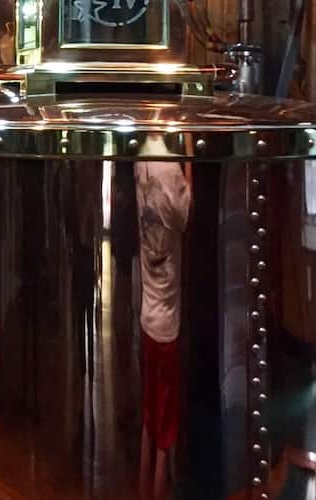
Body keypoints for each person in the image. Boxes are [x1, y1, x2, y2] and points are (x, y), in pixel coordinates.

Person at [135, 137, 192, 500]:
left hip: (146, 317)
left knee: (149, 414)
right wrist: (189, 151)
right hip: (167, 327)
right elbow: (185, 215)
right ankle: (158, 490)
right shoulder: (171, 171)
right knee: (165, 429)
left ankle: (141, 487)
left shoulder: (141, 162)